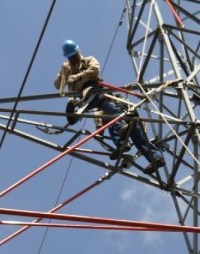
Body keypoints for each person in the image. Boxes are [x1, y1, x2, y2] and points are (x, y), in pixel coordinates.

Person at [53, 40, 165, 174]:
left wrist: (78, 76)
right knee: (116, 122)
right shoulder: (67, 68)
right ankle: (137, 150)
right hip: (85, 98)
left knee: (119, 120)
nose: (73, 58)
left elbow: (94, 70)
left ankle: (144, 153)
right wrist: (64, 72)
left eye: (74, 55)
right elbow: (57, 85)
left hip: (96, 92)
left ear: (78, 52)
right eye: (70, 57)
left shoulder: (88, 60)